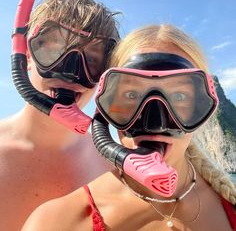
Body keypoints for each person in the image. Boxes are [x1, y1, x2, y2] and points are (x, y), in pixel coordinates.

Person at [22, 24, 236, 231]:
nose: (155, 124)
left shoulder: (228, 200)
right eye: (132, 95)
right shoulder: (58, 223)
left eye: (179, 96)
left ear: (202, 107)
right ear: (104, 108)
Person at [0, 0, 120, 231]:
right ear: (26, 55)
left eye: (92, 60)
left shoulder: (113, 165)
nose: (70, 73)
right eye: (55, 50)